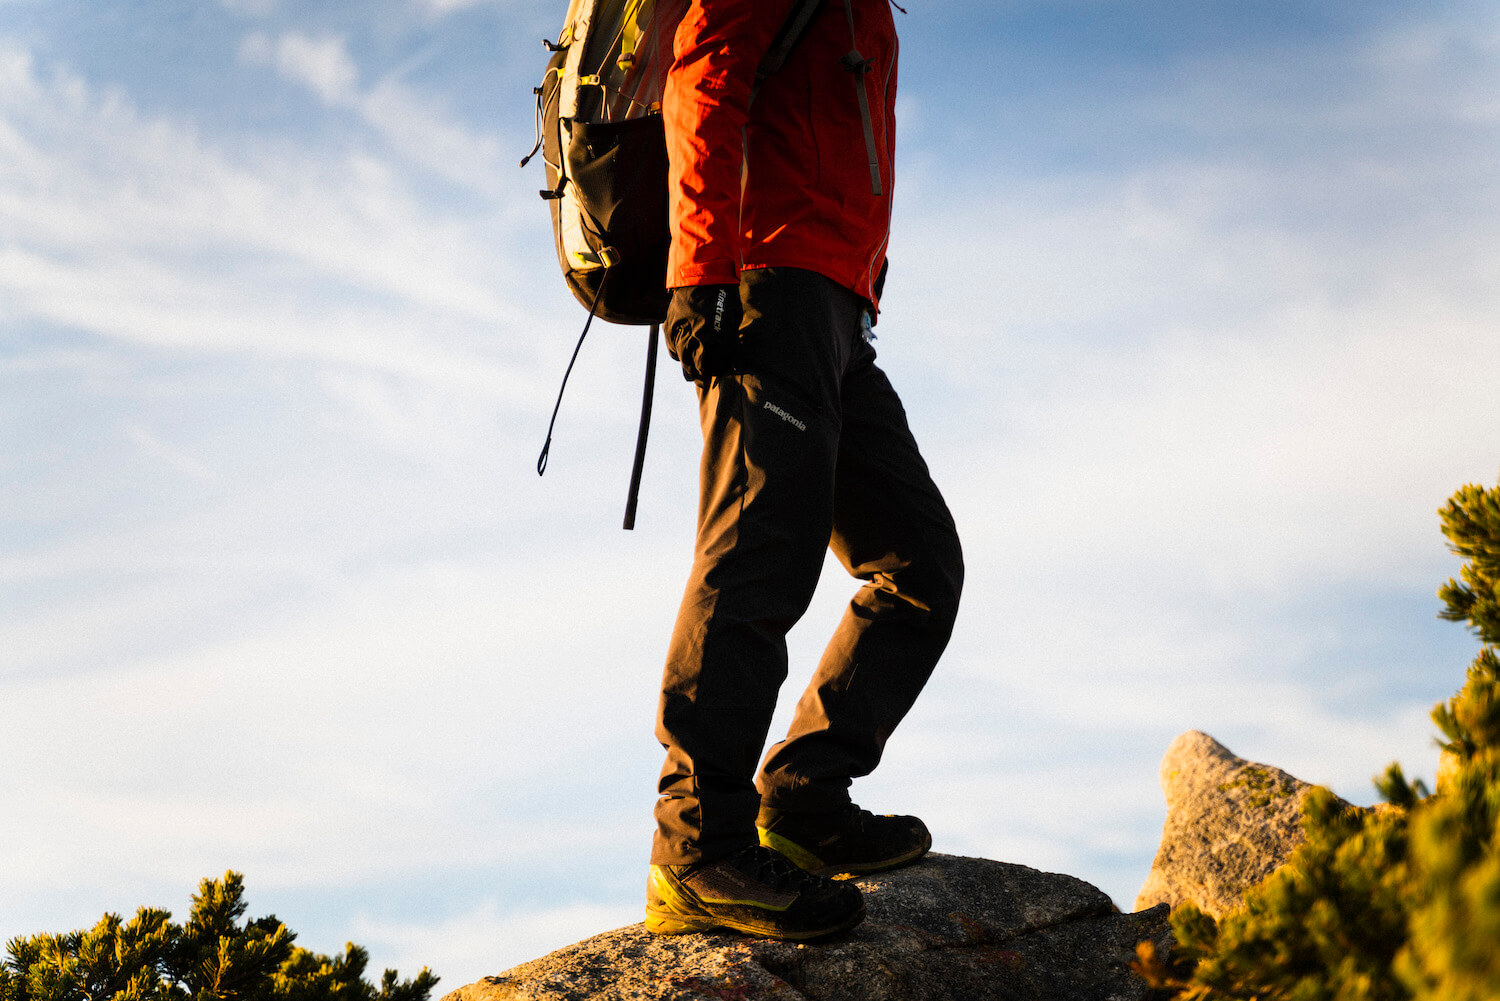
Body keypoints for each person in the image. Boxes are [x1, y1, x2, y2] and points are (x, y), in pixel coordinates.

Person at [644, 0, 964, 941]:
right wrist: (700, 266)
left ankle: (803, 800)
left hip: (837, 312)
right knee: (756, 561)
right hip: (763, 281)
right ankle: (696, 847)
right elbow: (704, 68)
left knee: (920, 565)